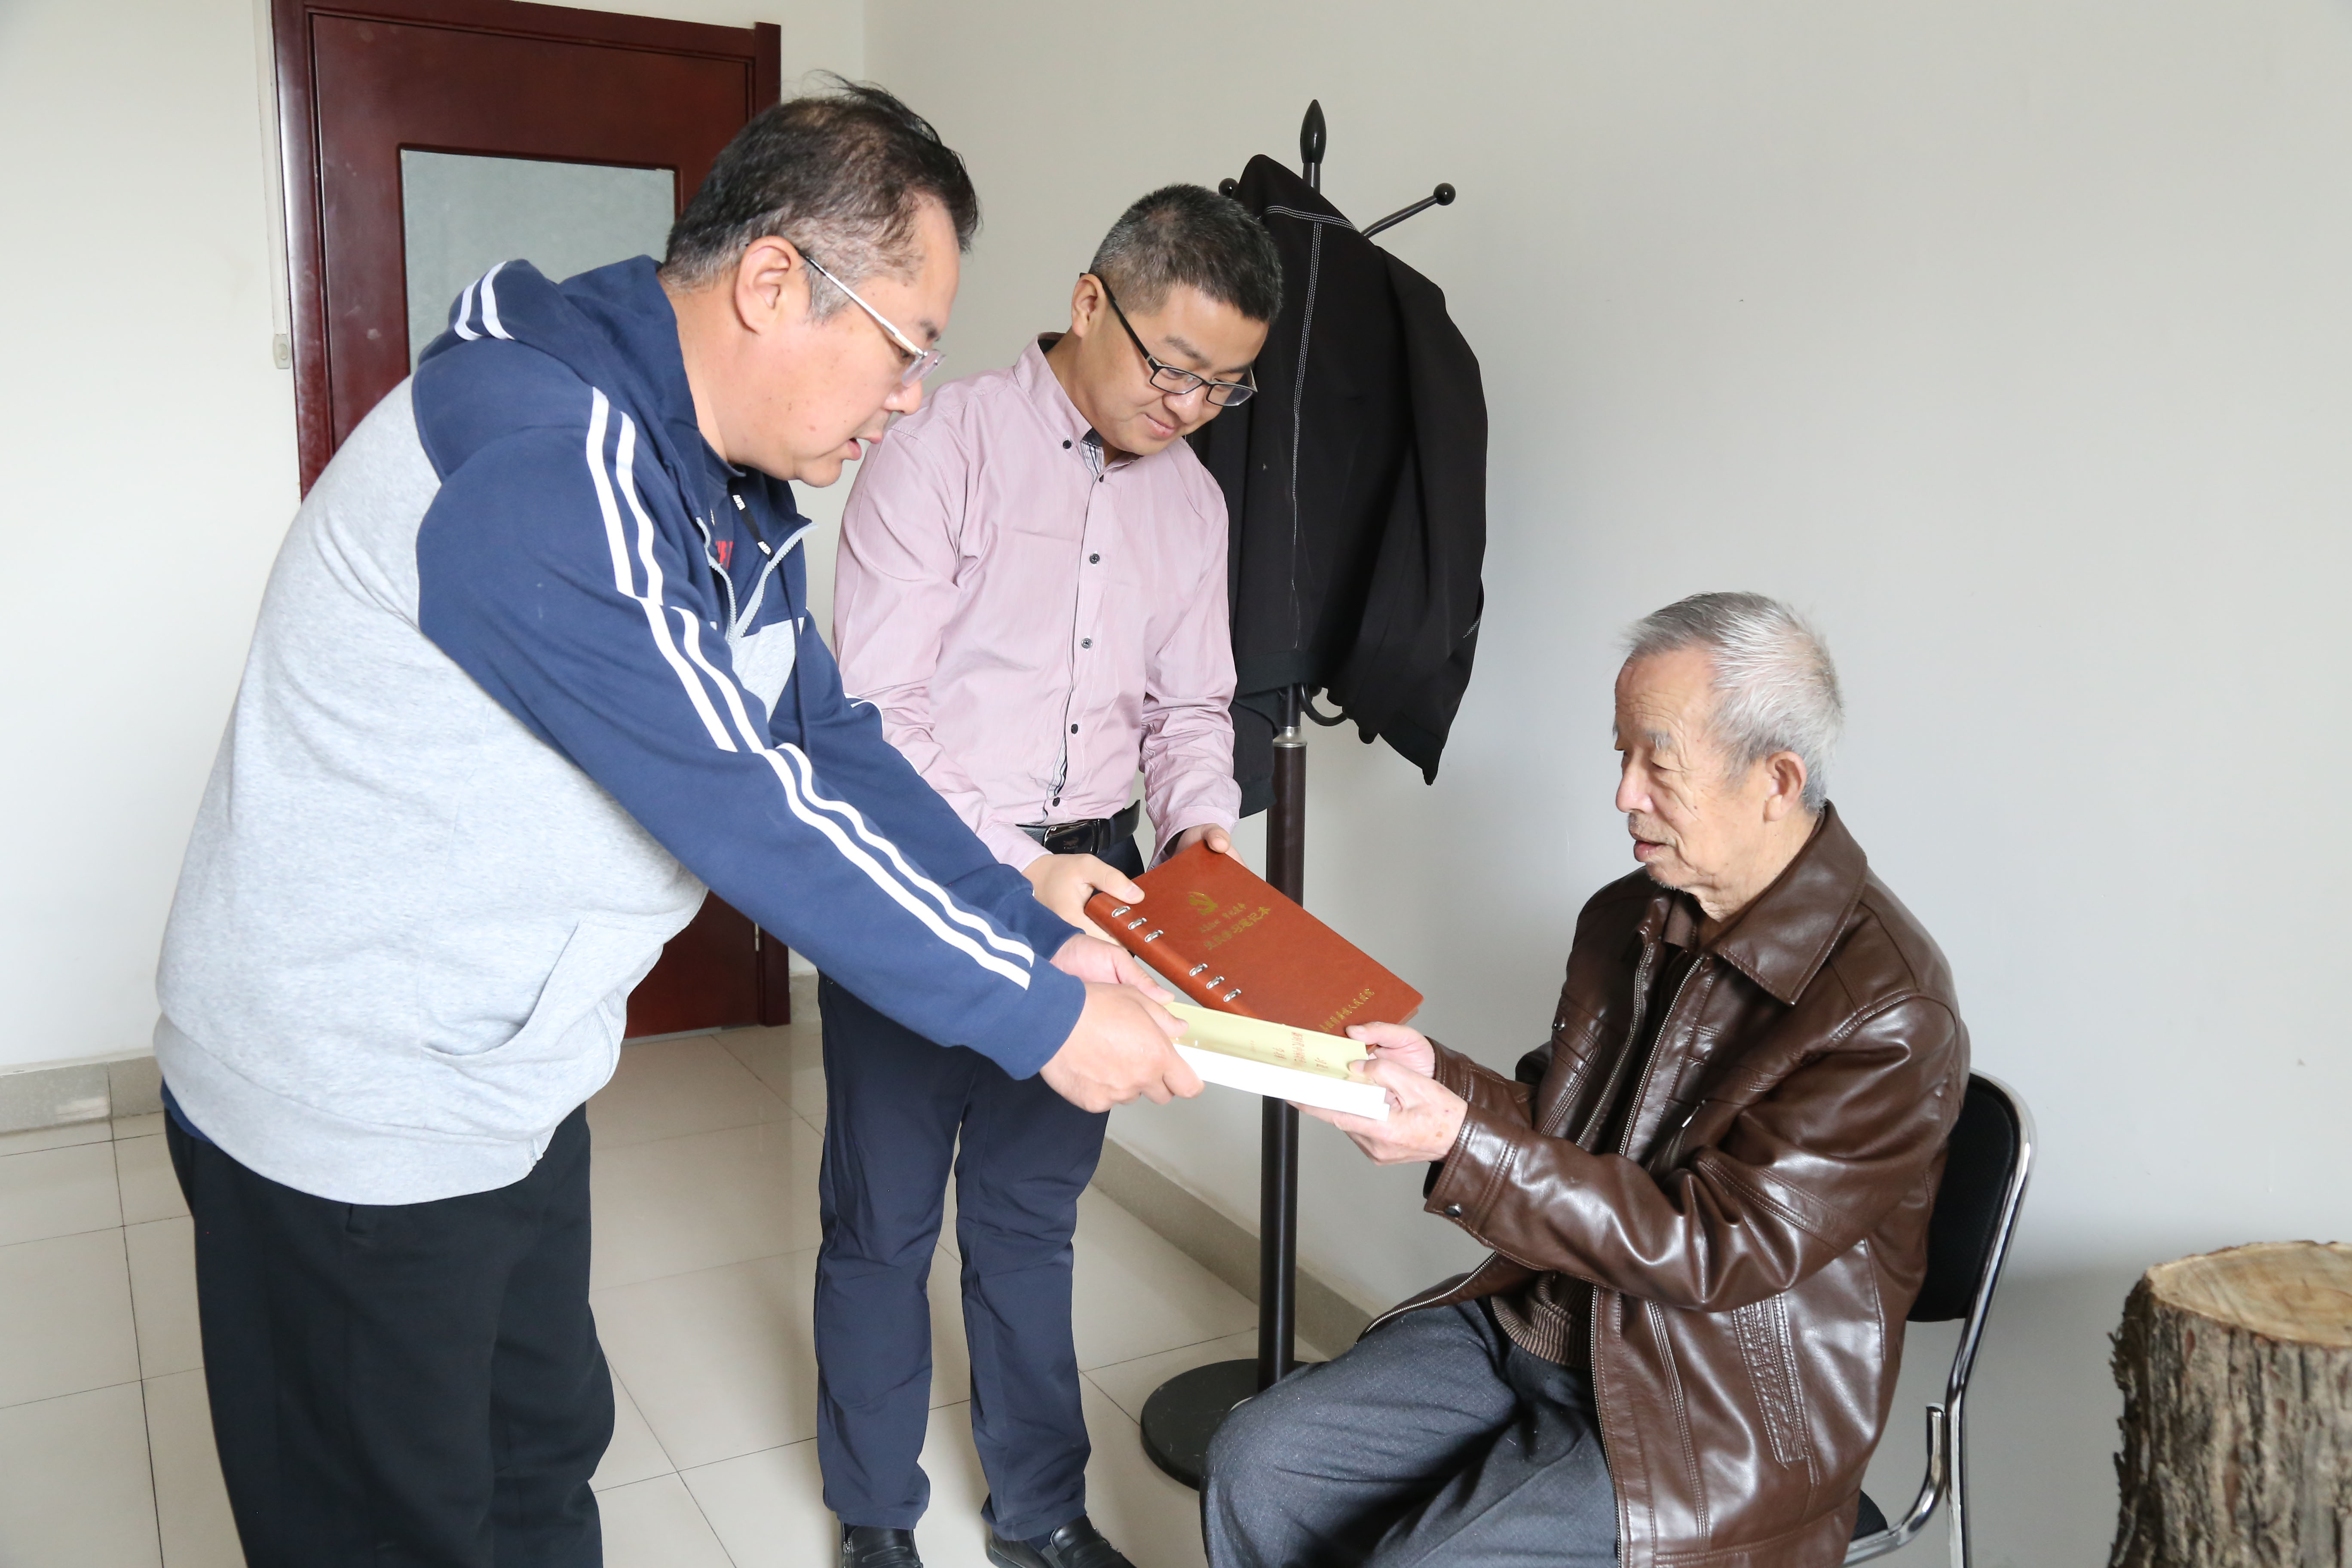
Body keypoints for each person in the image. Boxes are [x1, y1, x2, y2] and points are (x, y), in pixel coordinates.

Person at [150, 83, 1198, 1568]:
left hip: (504, 1071)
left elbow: (822, 740)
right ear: (773, 281)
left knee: (538, 1462)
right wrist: (1039, 1014)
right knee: (392, 1523)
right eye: (904, 349)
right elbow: (747, 806)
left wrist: (1025, 902)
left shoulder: (715, 484)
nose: (911, 397)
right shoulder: (543, 465)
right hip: (348, 1105)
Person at [1202, 592, 1971, 1568]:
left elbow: (1714, 1248)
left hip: (1708, 1403)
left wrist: (1460, 1141)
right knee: (1259, 1460)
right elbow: (1558, 1119)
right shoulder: (1630, 915)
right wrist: (1440, 1080)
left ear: (1776, 780)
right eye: (1622, 755)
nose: (1624, 795)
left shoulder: (1889, 1011)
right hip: (1542, 1317)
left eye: (1660, 764)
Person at [823, 185, 1281, 1568]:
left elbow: (1191, 711)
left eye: (1225, 385)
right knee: (885, 1217)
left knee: (1030, 1217)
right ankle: (876, 1515)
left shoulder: (1192, 503)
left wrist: (1200, 837)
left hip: (1104, 877)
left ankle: (1040, 1513)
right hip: (923, 867)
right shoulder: (939, 446)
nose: (1192, 406)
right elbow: (879, 716)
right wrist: (1025, 871)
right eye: (1174, 367)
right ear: (1092, 303)